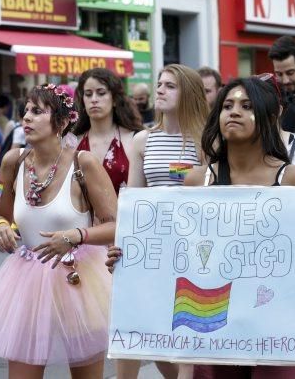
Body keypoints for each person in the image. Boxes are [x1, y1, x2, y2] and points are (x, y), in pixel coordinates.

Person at [185, 77, 295, 378]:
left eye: (247, 106)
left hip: (278, 328)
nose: (234, 112)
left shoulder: (294, 179)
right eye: (227, 105)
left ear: (269, 117)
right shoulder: (196, 181)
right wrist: (129, 260)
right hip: (215, 324)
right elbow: (179, 255)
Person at [0, 84, 116, 378]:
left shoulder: (83, 162)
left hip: (79, 279)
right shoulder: (13, 161)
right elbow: (0, 215)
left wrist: (77, 236)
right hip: (25, 281)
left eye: (37, 111)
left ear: (62, 123)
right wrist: (0, 227)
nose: (26, 117)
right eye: (25, 110)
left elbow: (117, 225)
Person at [119, 64, 210, 379]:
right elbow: (135, 197)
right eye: (159, 83)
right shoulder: (143, 140)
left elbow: (216, 195)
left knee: (186, 332)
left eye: (170, 85)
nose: (159, 89)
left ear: (188, 93)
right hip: (154, 248)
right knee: (156, 337)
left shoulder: (205, 141)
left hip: (195, 247)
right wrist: (127, 243)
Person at [74, 68, 144, 195]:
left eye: (101, 93)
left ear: (115, 99)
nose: (94, 99)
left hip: (124, 213)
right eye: (88, 94)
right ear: (83, 100)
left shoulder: (134, 139)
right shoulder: (72, 142)